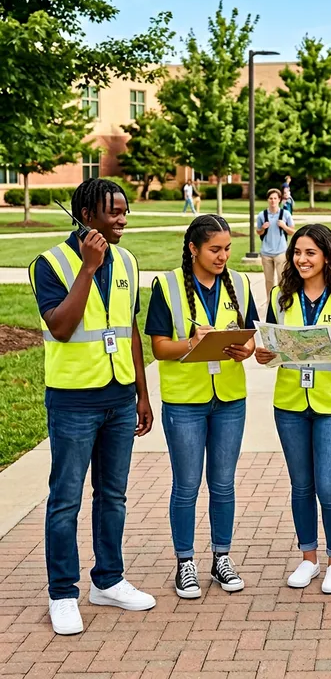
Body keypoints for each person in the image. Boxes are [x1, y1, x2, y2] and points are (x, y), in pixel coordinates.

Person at [28, 178, 155, 636]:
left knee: (114, 496)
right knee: (65, 500)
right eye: (113, 211)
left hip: (119, 398)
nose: (123, 218)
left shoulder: (128, 261)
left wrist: (142, 393)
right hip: (73, 402)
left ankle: (109, 580)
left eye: (125, 209)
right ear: (86, 216)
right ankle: (62, 593)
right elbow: (61, 327)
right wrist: (87, 268)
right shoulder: (50, 263)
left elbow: (130, 329)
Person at [146, 214, 257, 600]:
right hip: (185, 402)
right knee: (187, 485)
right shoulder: (167, 285)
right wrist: (192, 343)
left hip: (229, 400)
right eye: (215, 249)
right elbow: (159, 347)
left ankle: (222, 558)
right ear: (193, 249)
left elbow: (249, 342)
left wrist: (244, 350)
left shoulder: (240, 284)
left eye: (227, 248)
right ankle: (185, 563)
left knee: (223, 484)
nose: (223, 255)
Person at [255, 224, 331, 594]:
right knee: (301, 486)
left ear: (327, 256)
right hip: (289, 402)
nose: (302, 260)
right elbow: (269, 350)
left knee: (329, 487)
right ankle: (308, 558)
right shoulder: (278, 297)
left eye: (310, 253)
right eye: (297, 253)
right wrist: (264, 355)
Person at [257, 188, 296, 300]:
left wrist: (284, 226)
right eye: (270, 198)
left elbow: (293, 231)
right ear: (268, 200)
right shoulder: (262, 215)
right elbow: (258, 231)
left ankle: (281, 300)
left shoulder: (285, 214)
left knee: (281, 279)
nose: (273, 201)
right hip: (266, 252)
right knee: (269, 280)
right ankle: (270, 302)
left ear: (279, 199)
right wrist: (262, 229)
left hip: (281, 252)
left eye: (275, 198)